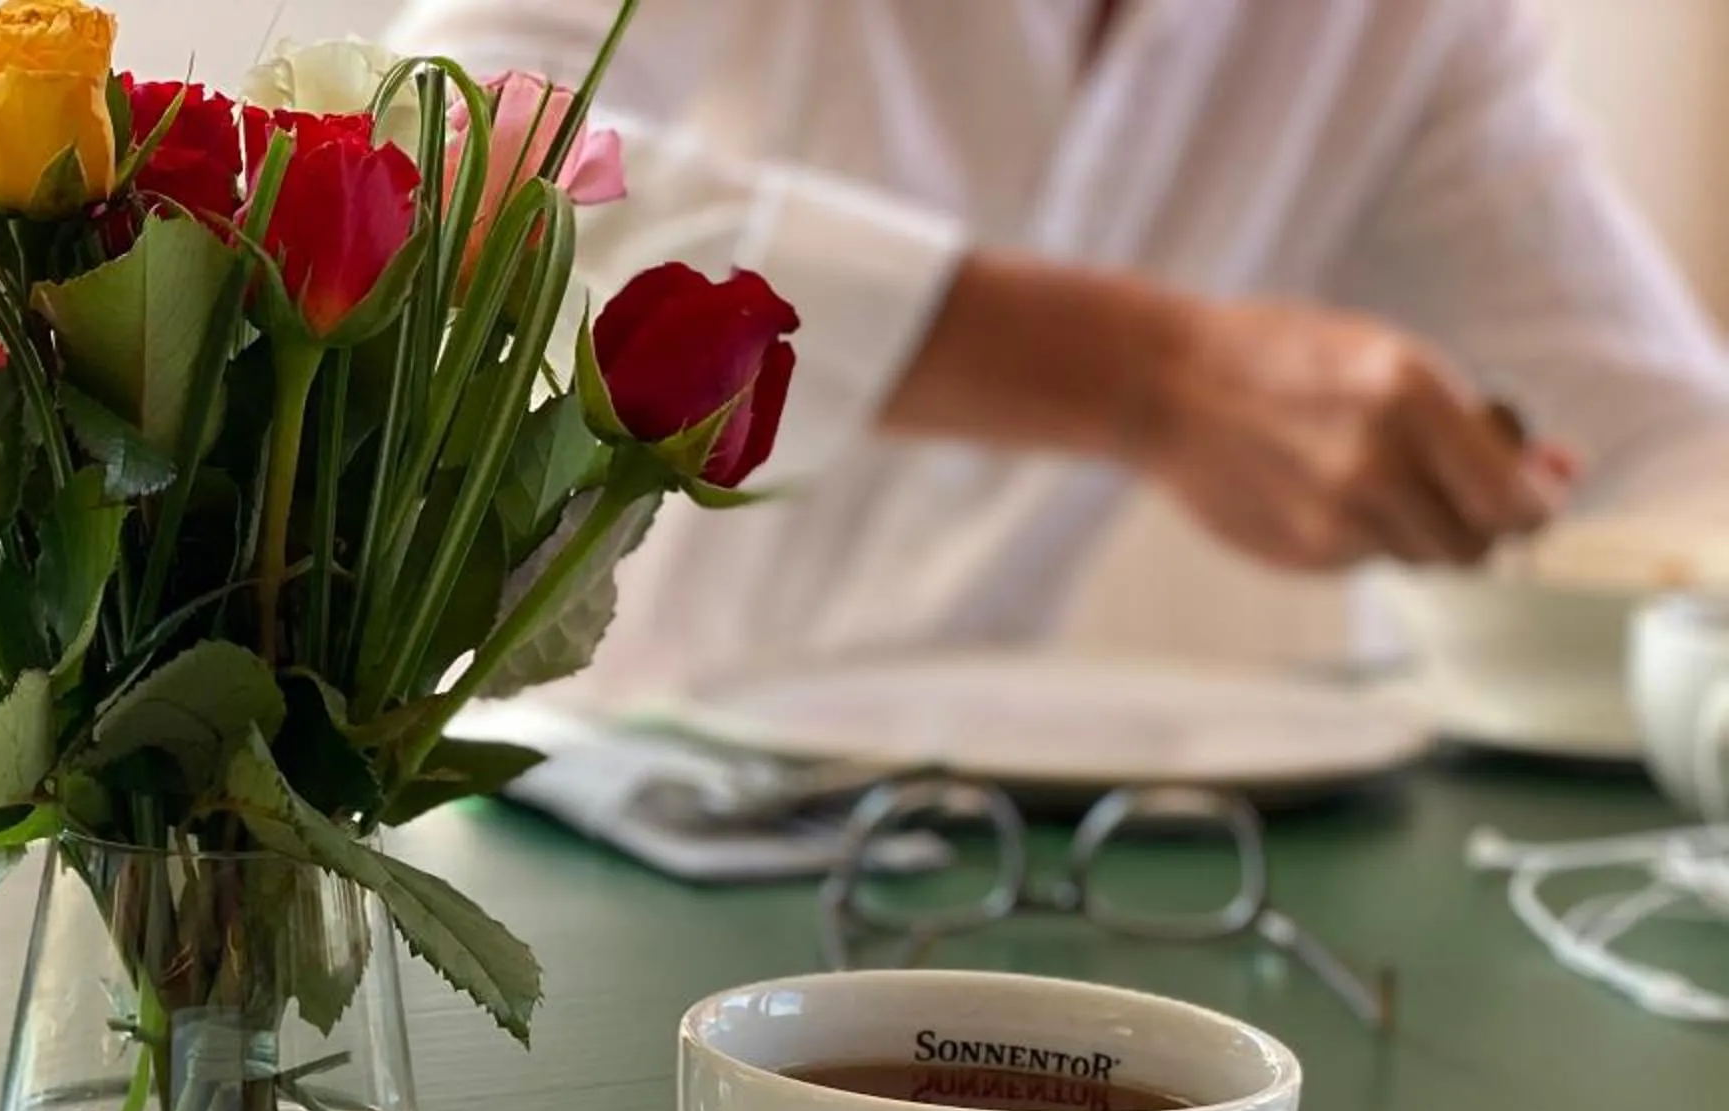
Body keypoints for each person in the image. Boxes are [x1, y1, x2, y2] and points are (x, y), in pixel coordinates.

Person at [390, 0, 1729, 701]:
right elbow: (455, 159)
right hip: (570, 786)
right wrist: (1144, 374)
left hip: (1004, 840)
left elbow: (1662, 439)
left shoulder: (1407, 22)